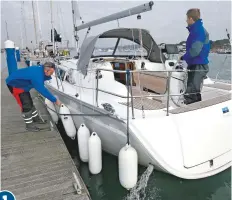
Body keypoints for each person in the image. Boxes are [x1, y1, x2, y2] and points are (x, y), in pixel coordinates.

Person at [5, 62, 61, 132]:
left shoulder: (40, 70)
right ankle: (29, 125)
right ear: (46, 70)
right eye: (51, 72)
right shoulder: (37, 75)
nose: (52, 74)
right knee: (26, 104)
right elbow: (42, 89)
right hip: (15, 85)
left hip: (22, 85)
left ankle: (36, 119)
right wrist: (55, 100)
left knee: (30, 102)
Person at [180, 8, 210, 104]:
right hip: (196, 64)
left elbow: (195, 50)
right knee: (194, 91)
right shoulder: (197, 30)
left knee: (191, 93)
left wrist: (184, 57)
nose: (186, 20)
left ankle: (190, 113)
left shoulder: (198, 31)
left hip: (198, 64)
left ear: (191, 19)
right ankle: (197, 109)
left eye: (187, 18)